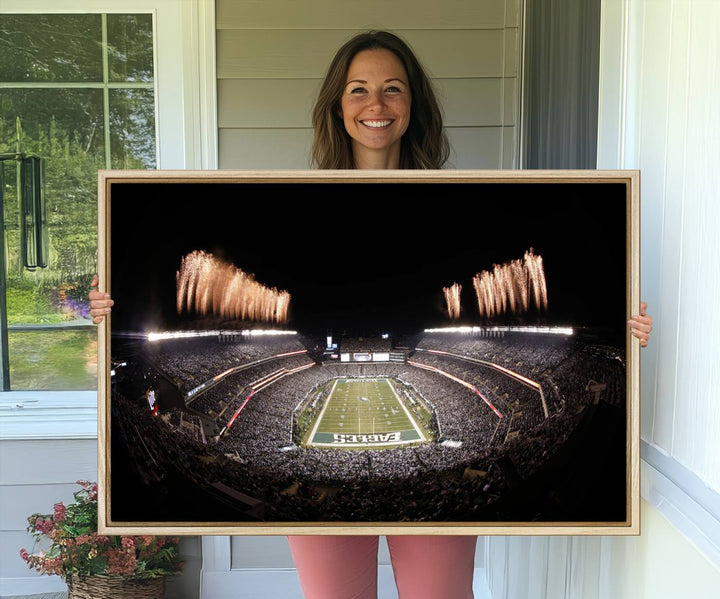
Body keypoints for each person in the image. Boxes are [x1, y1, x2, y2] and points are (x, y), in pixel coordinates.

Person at [90, 30, 653, 599]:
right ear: (338, 104)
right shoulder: (295, 203)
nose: (376, 105)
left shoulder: (455, 203)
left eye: (393, 89)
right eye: (358, 89)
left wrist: (625, 330)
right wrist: (111, 311)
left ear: (414, 105)